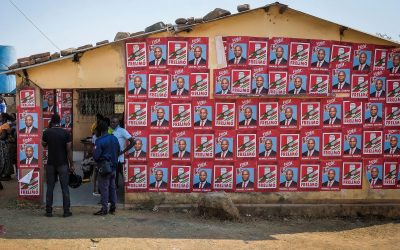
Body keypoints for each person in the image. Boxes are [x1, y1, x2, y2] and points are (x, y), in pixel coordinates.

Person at [42, 114, 74, 217]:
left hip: (50, 164)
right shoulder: (66, 133)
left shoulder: (47, 132)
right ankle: (66, 211)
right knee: (64, 187)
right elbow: (69, 150)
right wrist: (71, 164)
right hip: (63, 164)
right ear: (60, 122)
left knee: (50, 187)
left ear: (51, 121)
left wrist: (48, 130)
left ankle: (48, 211)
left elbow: (43, 144)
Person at [93, 119, 120, 215]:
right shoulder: (114, 138)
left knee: (104, 188)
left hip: (104, 168)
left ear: (99, 130)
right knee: (112, 187)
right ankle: (113, 207)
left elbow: (96, 156)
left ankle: (104, 209)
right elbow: (118, 151)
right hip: (113, 167)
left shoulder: (99, 141)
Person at [110, 116, 135, 189]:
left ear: (118, 123)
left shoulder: (122, 131)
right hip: (111, 156)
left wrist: (123, 152)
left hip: (119, 157)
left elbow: (133, 142)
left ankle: (123, 187)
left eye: (114, 122)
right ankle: (116, 187)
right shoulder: (110, 130)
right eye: (111, 122)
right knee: (116, 173)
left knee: (119, 172)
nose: (112, 123)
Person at [0, 113, 12, 181]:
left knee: (4, 159)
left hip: (3, 144)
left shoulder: (5, 125)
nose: (0, 118)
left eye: (1, 117)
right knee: (6, 159)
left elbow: (3, 136)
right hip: (4, 144)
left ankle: (5, 174)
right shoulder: (4, 125)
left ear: (4, 118)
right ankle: (7, 174)